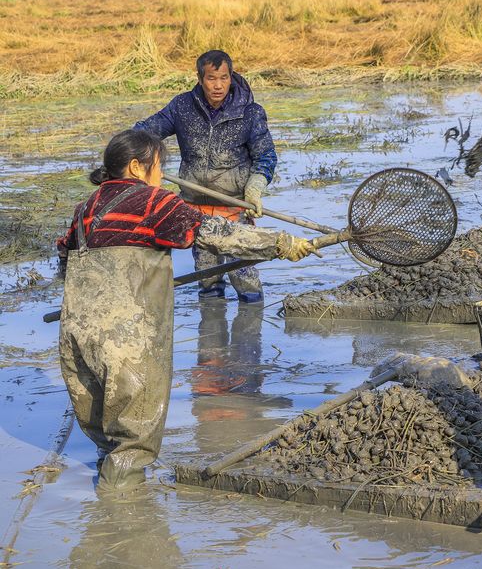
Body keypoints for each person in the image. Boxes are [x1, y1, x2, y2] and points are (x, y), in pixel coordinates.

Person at [57, 130, 315, 490]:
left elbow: (65, 262)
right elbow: (215, 232)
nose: (162, 175)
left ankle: (103, 502)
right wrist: (282, 244)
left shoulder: (84, 208)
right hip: (127, 345)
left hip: (76, 340)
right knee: (132, 448)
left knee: (107, 441)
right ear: (136, 167)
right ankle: (120, 528)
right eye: (159, 166)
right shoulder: (152, 202)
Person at [134, 49, 276, 303]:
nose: (218, 85)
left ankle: (251, 334)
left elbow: (266, 158)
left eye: (224, 78)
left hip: (235, 208)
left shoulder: (251, 113)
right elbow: (145, 132)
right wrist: (127, 150)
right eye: (211, 78)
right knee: (209, 285)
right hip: (196, 211)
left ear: (231, 77)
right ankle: (211, 339)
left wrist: (255, 188)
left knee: (246, 283)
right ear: (200, 79)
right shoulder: (182, 107)